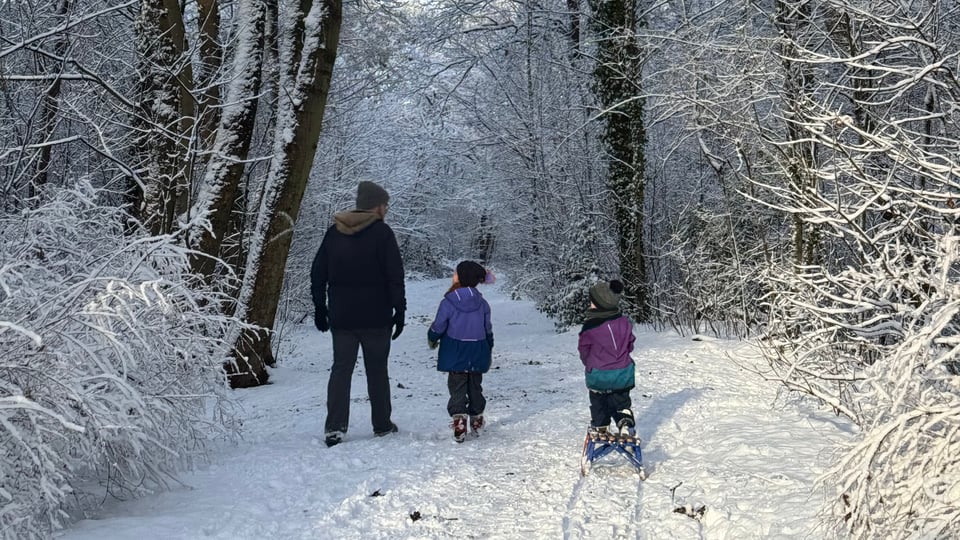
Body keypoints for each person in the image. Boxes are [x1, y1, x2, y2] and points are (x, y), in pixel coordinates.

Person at [311, 180, 406, 447]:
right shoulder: (382, 233)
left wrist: (320, 307)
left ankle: (335, 428)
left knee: (341, 370)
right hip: (377, 316)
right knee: (377, 370)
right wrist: (400, 310)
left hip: (342, 317)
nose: (386, 209)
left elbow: (318, 272)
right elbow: (394, 276)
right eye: (385, 205)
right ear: (376, 206)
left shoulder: (334, 233)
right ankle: (382, 425)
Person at [427, 261, 494, 443]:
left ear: (461, 277)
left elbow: (440, 324)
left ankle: (459, 421)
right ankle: (477, 418)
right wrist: (489, 344)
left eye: (455, 273)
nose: (453, 275)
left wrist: (432, 336)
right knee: (475, 386)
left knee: (456, 387)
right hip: (477, 350)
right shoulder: (483, 304)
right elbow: (487, 327)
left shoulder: (448, 302)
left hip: (455, 351)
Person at [577, 279, 636, 436]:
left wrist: (588, 363)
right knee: (621, 400)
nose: (591, 304)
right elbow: (630, 344)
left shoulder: (590, 327)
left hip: (598, 374)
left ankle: (601, 425)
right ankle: (624, 421)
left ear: (601, 304)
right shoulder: (624, 322)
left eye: (593, 302)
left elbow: (584, 350)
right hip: (623, 373)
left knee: (599, 401)